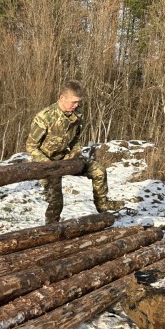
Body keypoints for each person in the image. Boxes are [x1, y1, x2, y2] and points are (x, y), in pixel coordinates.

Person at [26, 79, 123, 224]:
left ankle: (102, 205)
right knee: (56, 202)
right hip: (46, 163)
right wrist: (48, 165)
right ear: (62, 98)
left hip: (67, 159)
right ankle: (51, 231)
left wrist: (75, 154)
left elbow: (76, 138)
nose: (76, 105)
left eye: (78, 102)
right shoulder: (44, 117)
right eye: (73, 102)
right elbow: (31, 147)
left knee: (99, 170)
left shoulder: (78, 114)